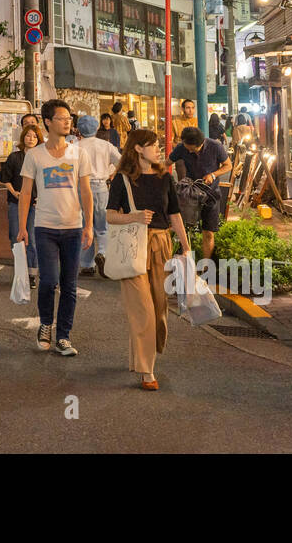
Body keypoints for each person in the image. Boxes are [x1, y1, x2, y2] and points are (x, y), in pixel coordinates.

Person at [106, 128, 187, 389]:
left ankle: (138, 357)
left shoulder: (165, 177)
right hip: (133, 246)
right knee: (143, 310)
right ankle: (146, 371)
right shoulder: (123, 179)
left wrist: (186, 248)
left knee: (160, 310)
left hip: (161, 244)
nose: (159, 149)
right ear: (138, 148)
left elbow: (174, 214)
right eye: (153, 145)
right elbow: (109, 215)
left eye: (158, 145)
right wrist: (134, 216)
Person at [17, 99, 92, 356]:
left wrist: (89, 225)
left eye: (69, 118)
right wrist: (22, 227)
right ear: (48, 122)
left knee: (69, 285)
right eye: (62, 118)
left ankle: (64, 336)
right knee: (48, 281)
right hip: (45, 227)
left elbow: (86, 191)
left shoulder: (78, 152)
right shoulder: (34, 155)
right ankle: (46, 324)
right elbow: (26, 193)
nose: (67, 121)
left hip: (73, 227)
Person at [169, 125, 232, 259]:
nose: (191, 152)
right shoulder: (181, 148)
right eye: (188, 149)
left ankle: (205, 267)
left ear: (201, 143)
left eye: (193, 149)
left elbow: (228, 165)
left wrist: (213, 175)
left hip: (211, 194)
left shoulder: (215, 146)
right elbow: (166, 163)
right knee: (182, 229)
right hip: (189, 195)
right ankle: (183, 261)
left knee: (208, 232)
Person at [75, 114, 121, 277]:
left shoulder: (75, 145)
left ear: (79, 129)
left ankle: (87, 265)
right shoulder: (105, 145)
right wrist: (111, 173)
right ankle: (102, 252)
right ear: (96, 128)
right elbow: (120, 163)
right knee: (103, 225)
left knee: (84, 225)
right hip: (101, 186)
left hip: (80, 187)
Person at [0, 123, 42, 286]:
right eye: (28, 135)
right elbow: (4, 178)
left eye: (35, 136)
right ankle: (20, 271)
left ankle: (31, 273)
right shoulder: (15, 157)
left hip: (35, 204)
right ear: (23, 137)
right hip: (16, 202)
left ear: (39, 139)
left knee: (31, 237)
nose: (31, 139)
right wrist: (14, 192)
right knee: (15, 236)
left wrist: (42, 198)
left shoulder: (41, 157)